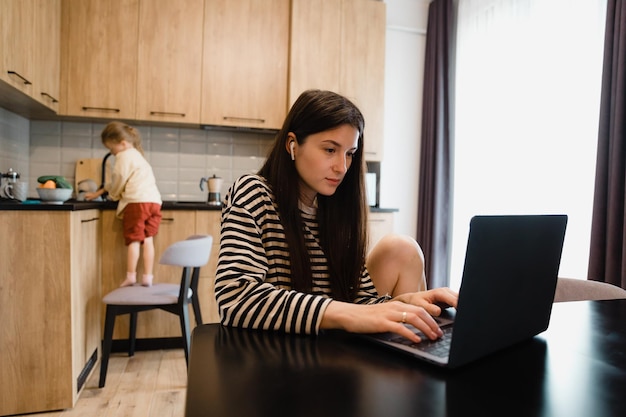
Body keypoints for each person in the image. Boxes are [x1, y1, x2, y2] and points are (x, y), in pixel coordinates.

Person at [215, 89, 458, 343]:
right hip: (275, 353)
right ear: (292, 145)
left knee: (403, 248)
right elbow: (236, 297)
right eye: (330, 150)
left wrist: (404, 303)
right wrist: (348, 313)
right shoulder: (254, 192)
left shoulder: (337, 209)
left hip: (328, 349)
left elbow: (361, 302)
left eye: (349, 153)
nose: (342, 167)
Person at [86, 121, 162, 287]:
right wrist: (100, 192)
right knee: (148, 239)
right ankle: (148, 277)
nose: (112, 153)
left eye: (111, 149)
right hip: (154, 202)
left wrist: (113, 195)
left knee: (134, 240)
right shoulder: (138, 156)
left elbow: (118, 179)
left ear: (122, 143)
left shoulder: (124, 156)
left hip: (137, 203)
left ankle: (131, 276)